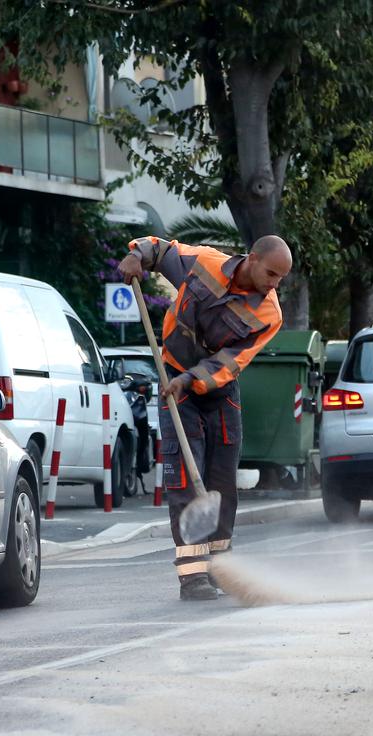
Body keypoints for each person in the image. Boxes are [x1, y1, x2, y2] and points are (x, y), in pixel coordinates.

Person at [117, 235, 290, 600]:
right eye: (271, 273)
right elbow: (160, 249)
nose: (275, 284)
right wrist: (137, 256)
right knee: (184, 477)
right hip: (173, 382)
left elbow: (231, 361)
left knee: (221, 482)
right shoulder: (205, 263)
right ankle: (193, 576)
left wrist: (190, 379)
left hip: (218, 391)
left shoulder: (269, 314)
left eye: (281, 278)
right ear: (252, 259)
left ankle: (221, 568)